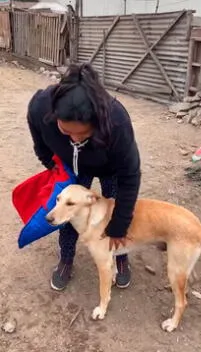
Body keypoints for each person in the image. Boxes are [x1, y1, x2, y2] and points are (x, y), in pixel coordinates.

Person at [26, 63, 141, 291]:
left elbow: (130, 176)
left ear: (97, 121)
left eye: (84, 133)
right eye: (67, 132)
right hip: (72, 166)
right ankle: (66, 258)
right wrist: (53, 165)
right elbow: (40, 143)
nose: (76, 140)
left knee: (114, 209)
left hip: (110, 168)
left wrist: (119, 227)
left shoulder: (116, 122)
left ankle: (120, 255)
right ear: (54, 115)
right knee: (69, 209)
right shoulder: (40, 108)